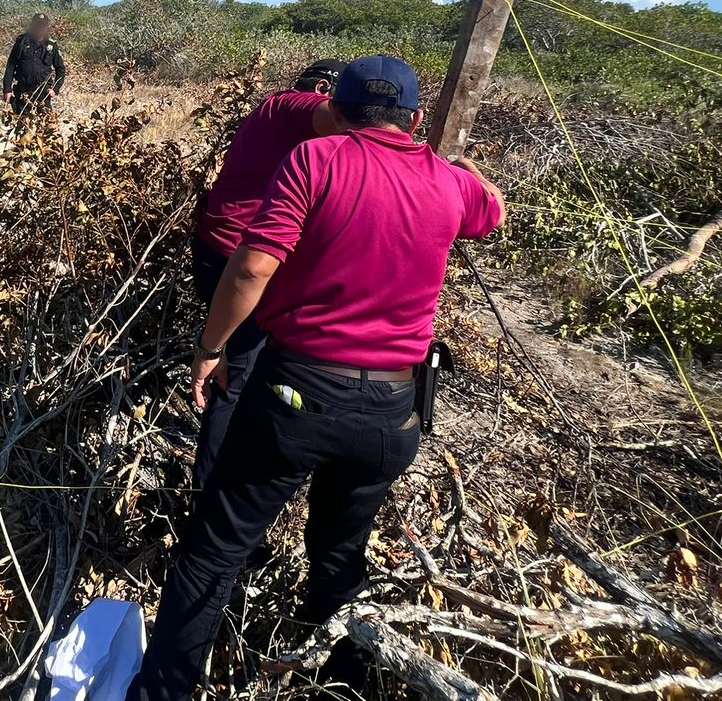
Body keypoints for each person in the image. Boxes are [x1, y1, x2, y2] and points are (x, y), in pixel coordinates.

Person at [134, 56, 506, 701]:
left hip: (297, 395)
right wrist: (469, 169)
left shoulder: (315, 159)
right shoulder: (449, 183)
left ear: (335, 110)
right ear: (417, 118)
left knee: (212, 554)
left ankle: (163, 692)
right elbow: (492, 210)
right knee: (340, 556)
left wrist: (211, 347)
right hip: (395, 409)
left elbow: (252, 268)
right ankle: (343, 684)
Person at [188, 59, 346, 490]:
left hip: (220, 251)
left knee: (241, 363)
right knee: (234, 382)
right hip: (237, 261)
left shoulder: (278, 116)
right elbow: (335, 117)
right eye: (344, 100)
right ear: (323, 89)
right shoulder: (293, 105)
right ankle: (209, 494)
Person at [2, 13, 67, 115]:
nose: (39, 29)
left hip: (43, 92)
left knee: (45, 122)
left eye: (42, 26)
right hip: (23, 90)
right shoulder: (22, 42)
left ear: (46, 28)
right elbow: (11, 66)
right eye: (37, 26)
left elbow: (61, 69)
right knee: (23, 122)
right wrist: (7, 89)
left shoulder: (51, 46)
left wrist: (55, 89)